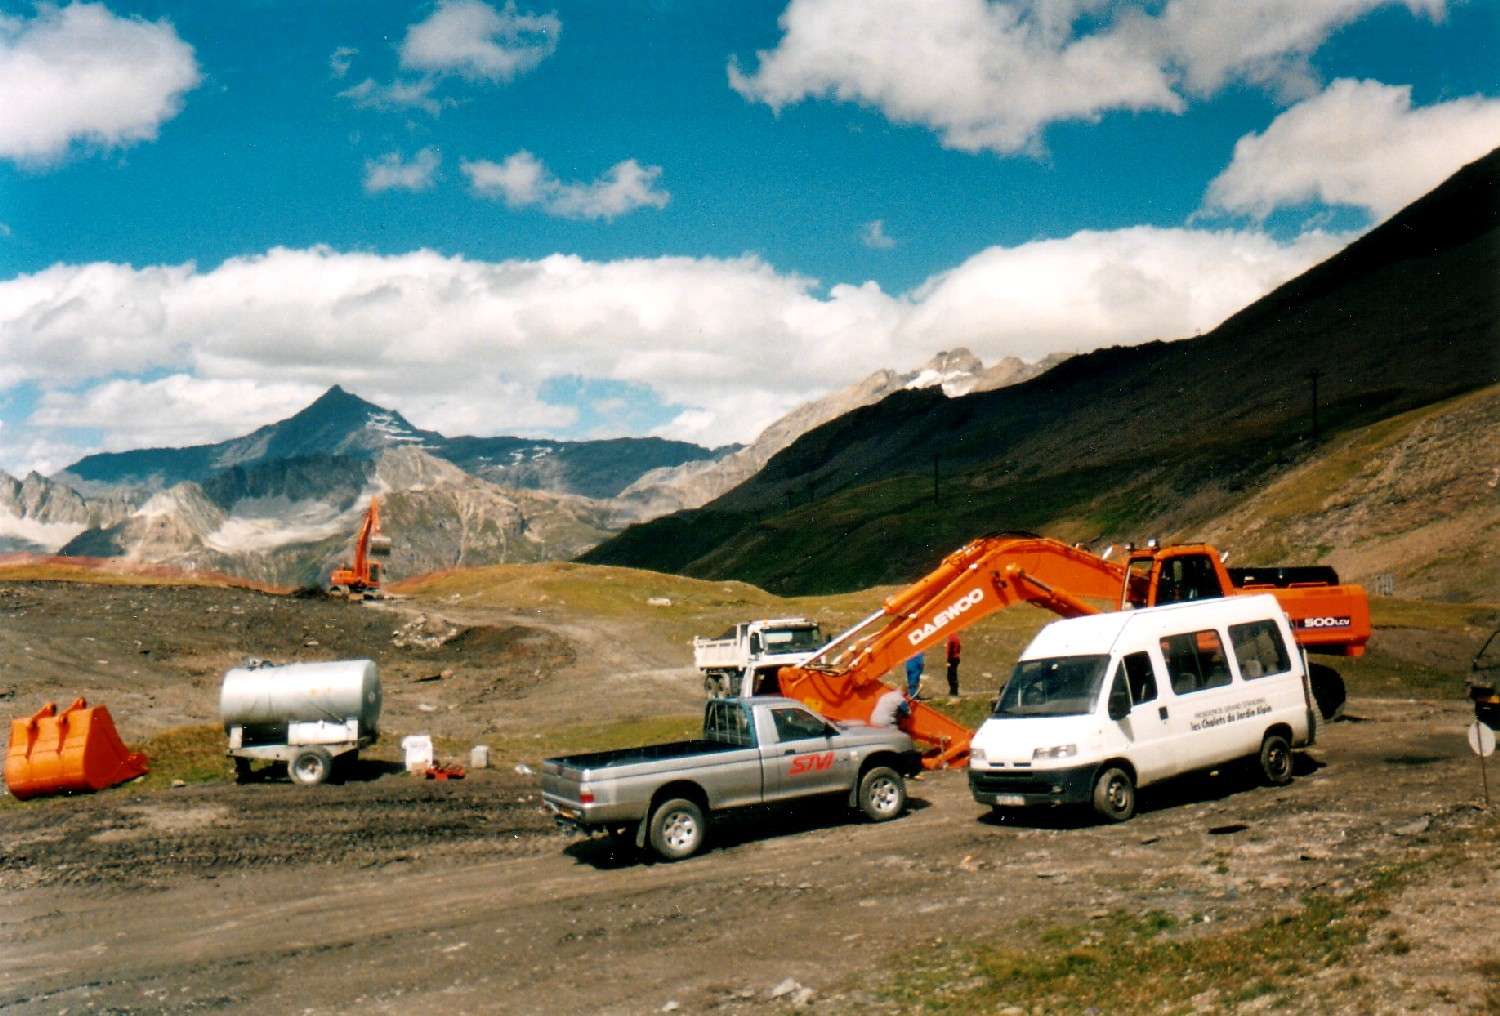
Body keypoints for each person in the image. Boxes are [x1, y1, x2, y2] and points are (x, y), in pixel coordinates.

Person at [945, 633, 962, 697]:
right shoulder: (956, 637)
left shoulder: (951, 638)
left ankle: (953, 691)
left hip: (952, 659)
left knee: (950, 676)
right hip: (956, 658)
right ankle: (954, 690)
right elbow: (959, 647)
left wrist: (948, 660)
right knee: (953, 675)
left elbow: (949, 650)